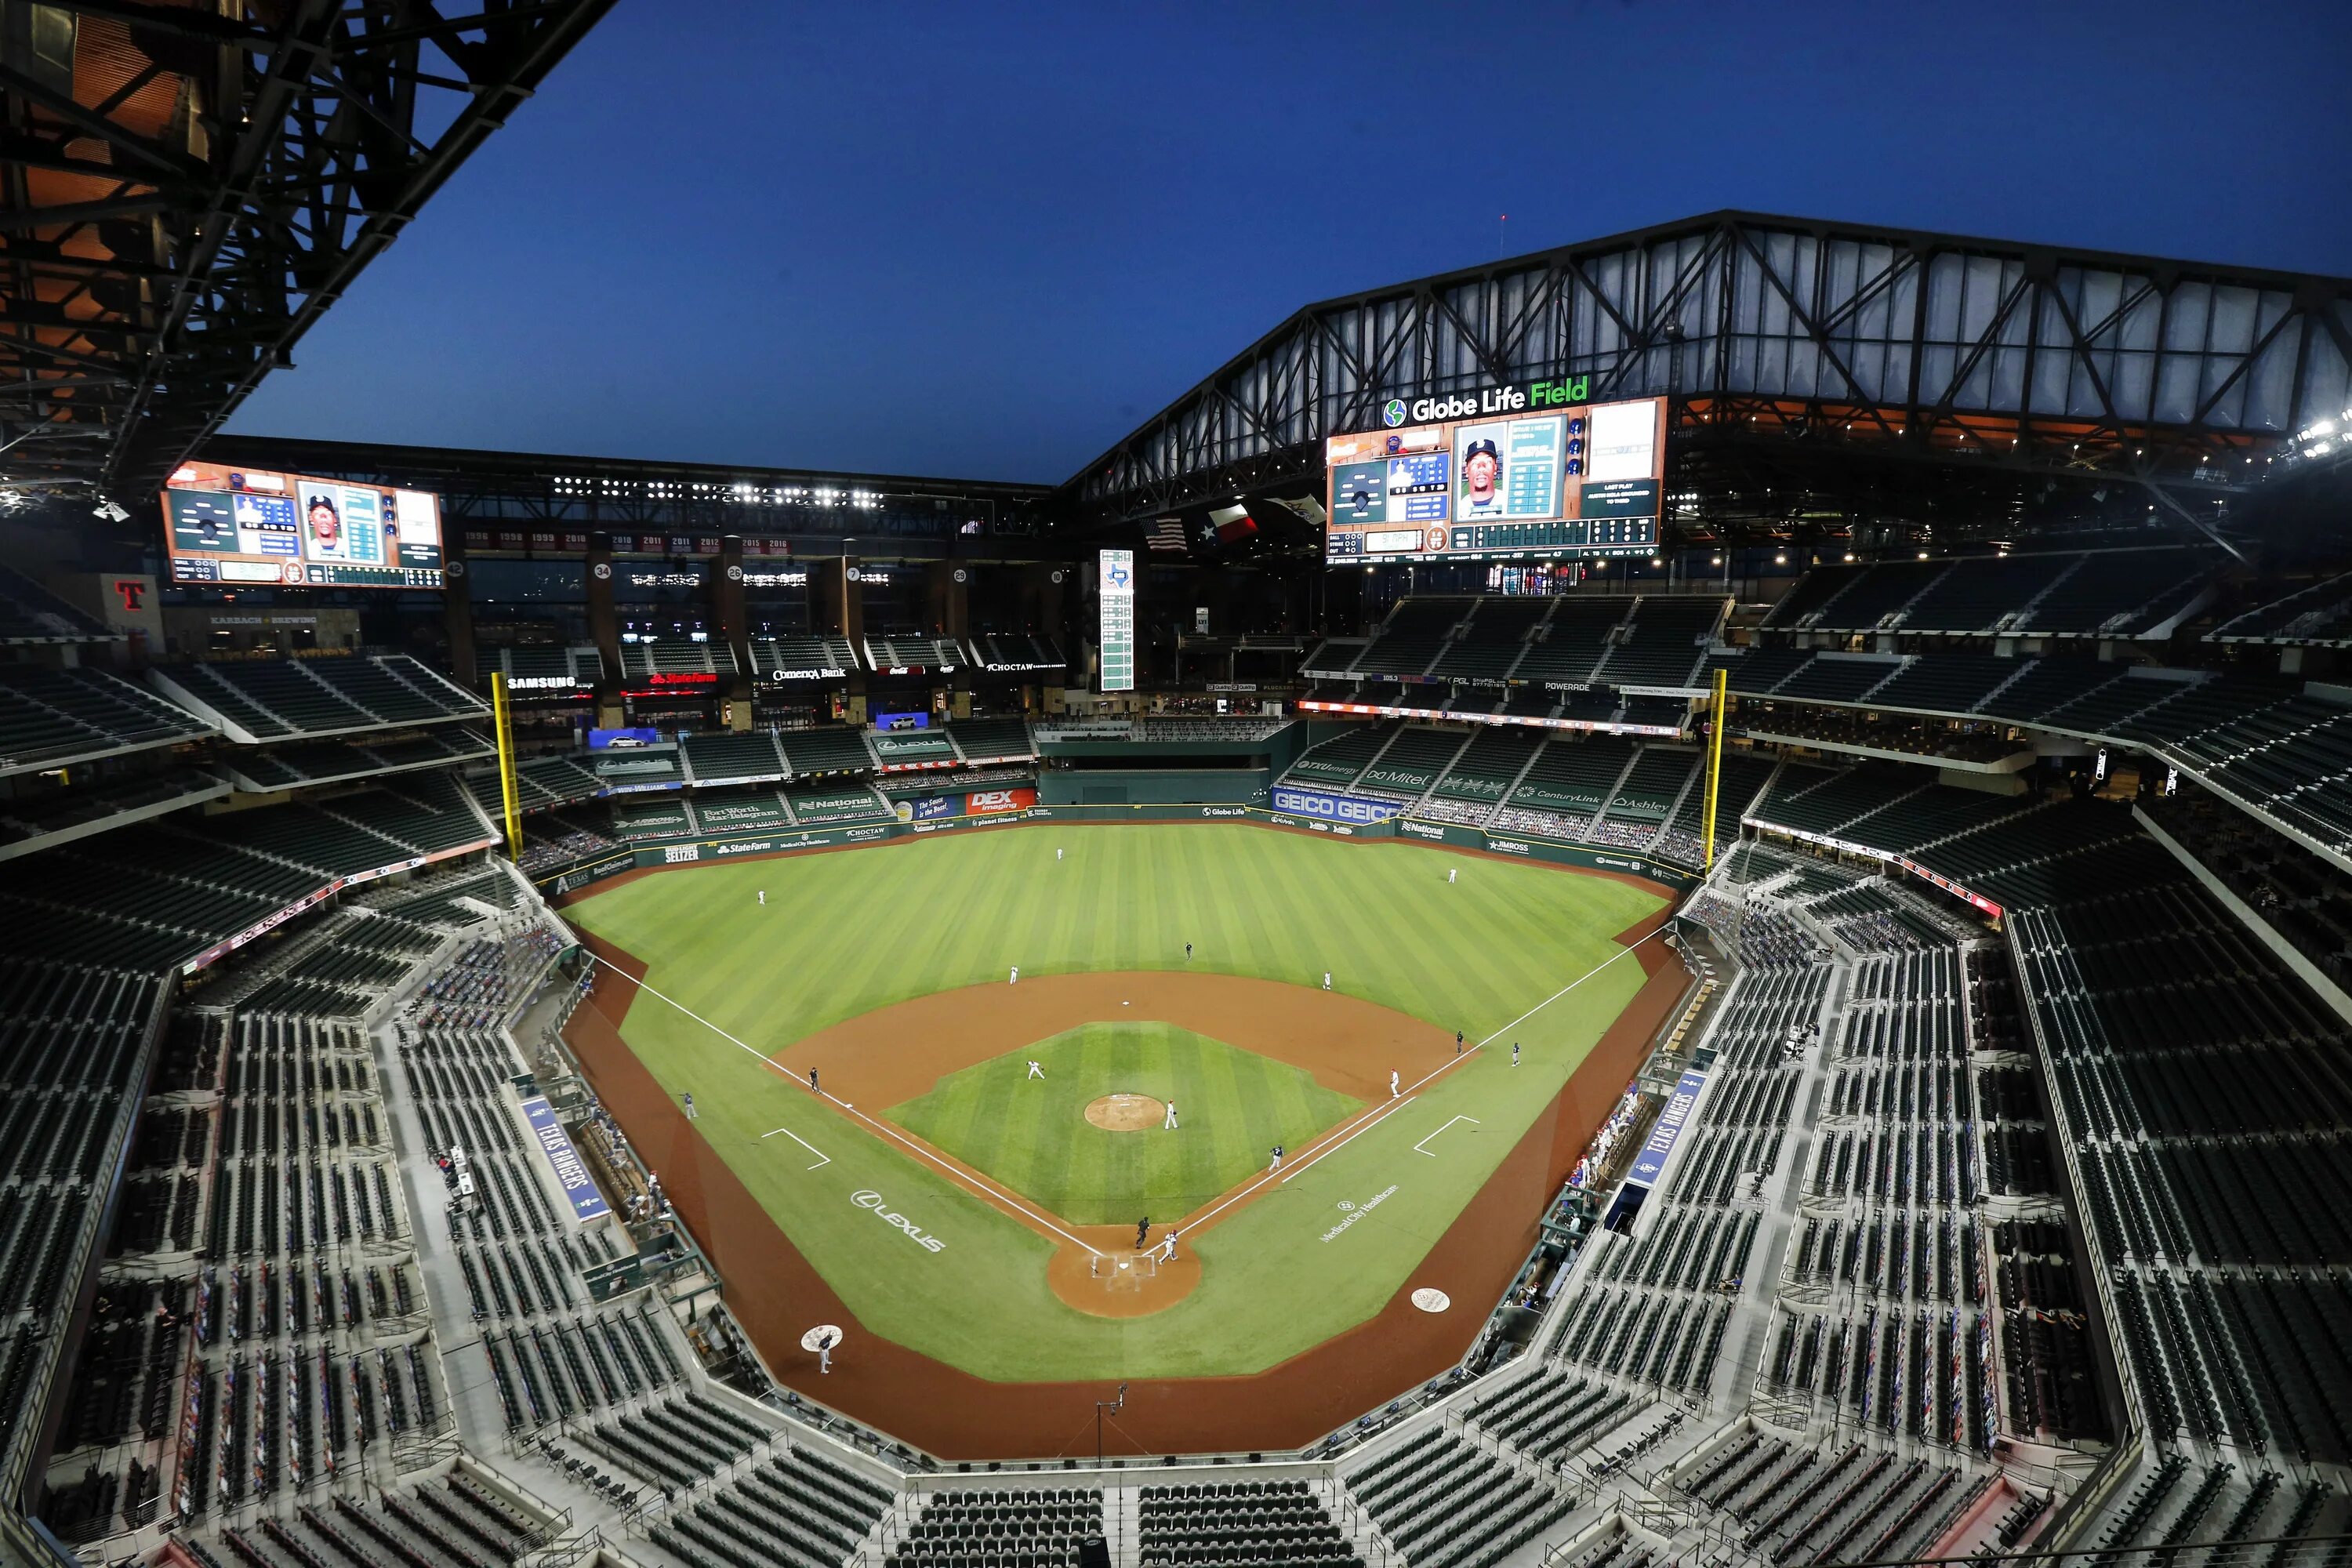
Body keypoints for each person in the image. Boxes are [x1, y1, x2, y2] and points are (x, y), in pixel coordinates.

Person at [1460, 437, 1504, 516]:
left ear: (1495, 468)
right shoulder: (1460, 508)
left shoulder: (1506, 501)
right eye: (1474, 463)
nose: (1481, 468)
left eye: (1488, 462)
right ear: (1467, 471)